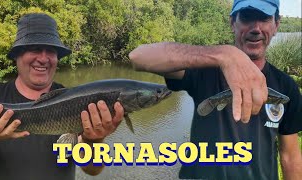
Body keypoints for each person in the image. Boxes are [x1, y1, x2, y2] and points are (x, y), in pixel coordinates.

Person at [129, 0, 302, 179]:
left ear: (276, 25)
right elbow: (138, 57)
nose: (256, 28)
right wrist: (225, 54)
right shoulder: (203, 71)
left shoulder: (286, 86)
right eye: (247, 17)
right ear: (232, 23)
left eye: (264, 18)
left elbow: (290, 156)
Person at [0, 13, 124, 180]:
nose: (43, 58)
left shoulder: (77, 101)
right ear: (16, 55)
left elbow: (93, 170)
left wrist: (95, 140)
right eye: (34, 48)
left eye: (50, 51)